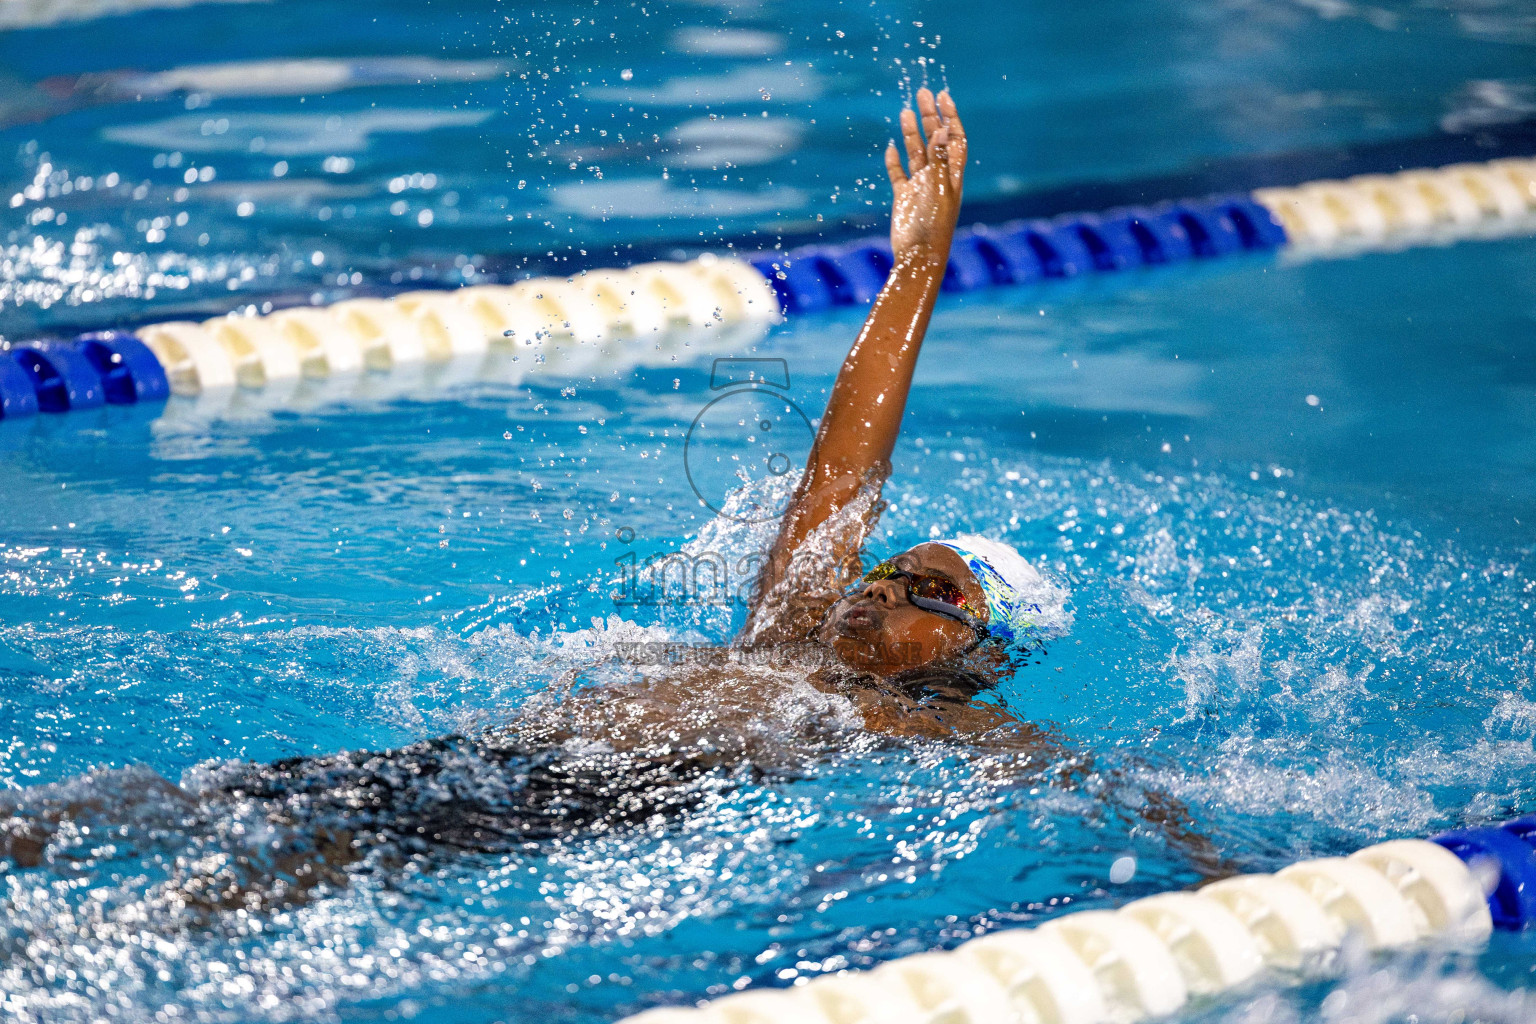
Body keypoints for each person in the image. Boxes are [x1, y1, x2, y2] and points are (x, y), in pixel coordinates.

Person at [0, 90, 1218, 914]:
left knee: (237, 887)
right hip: (472, 760)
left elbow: (1087, 784)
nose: (882, 580)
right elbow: (844, 471)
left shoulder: (914, 723)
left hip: (547, 815)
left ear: (978, 657)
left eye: (933, 591)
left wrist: (1226, 875)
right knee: (143, 807)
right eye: (894, 563)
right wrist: (914, 267)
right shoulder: (784, 637)